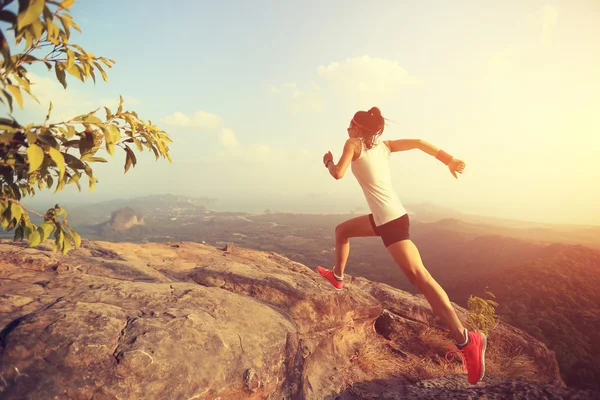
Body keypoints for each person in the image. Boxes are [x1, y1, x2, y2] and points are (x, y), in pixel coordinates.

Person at [316, 107, 486, 385]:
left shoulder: (353, 144)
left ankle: (467, 340)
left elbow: (338, 174)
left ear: (358, 129)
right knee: (342, 230)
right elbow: (419, 143)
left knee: (421, 278)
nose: (347, 131)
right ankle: (337, 277)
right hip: (386, 217)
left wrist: (329, 162)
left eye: (350, 126)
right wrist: (449, 160)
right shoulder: (384, 146)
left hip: (391, 221)